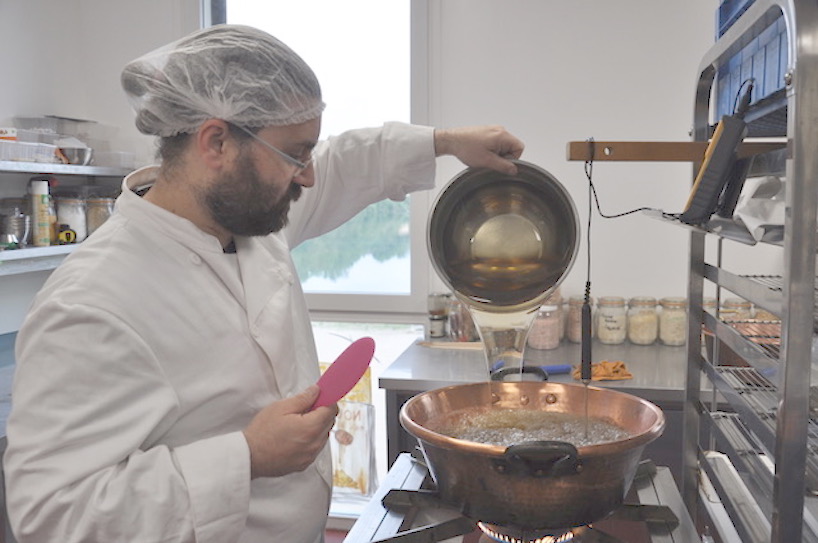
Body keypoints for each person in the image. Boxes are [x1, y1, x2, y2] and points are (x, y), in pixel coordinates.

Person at [3, 24, 524, 543]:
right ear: (216, 142)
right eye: (296, 154)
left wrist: (446, 143)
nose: (309, 177)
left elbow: (345, 162)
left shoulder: (248, 222)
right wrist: (246, 456)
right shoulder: (92, 302)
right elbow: (52, 516)